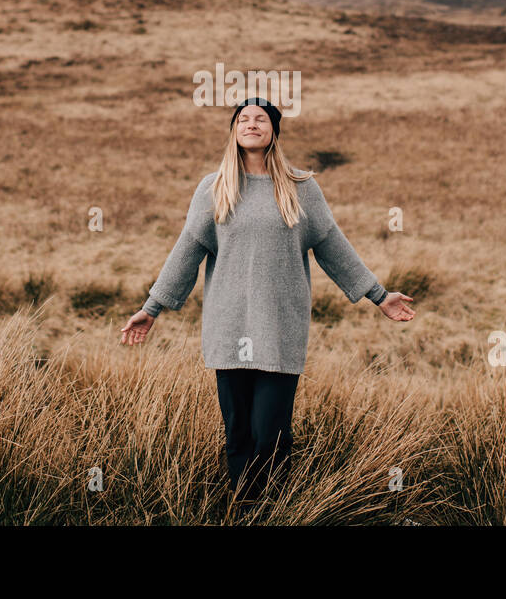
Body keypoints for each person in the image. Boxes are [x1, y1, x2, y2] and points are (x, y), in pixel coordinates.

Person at [119, 96, 415, 504]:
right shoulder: (215, 187)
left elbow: (333, 246)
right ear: (234, 130)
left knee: (272, 433)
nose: (252, 124)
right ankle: (245, 510)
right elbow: (186, 249)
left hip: (279, 329)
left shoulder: (299, 187)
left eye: (261, 119)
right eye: (243, 119)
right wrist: (151, 308)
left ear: (274, 130)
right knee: (238, 432)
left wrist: (378, 295)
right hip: (229, 329)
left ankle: (273, 509)